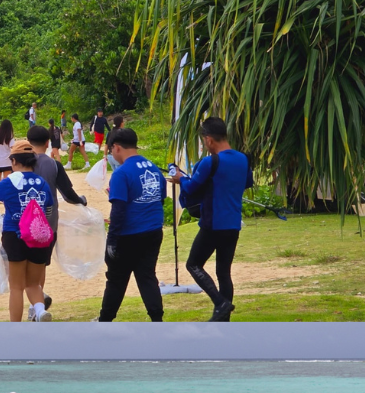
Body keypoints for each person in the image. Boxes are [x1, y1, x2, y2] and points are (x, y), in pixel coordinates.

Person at [166, 116, 253, 322]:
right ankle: (223, 321)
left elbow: (190, 187)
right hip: (233, 223)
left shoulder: (209, 162)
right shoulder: (243, 159)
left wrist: (180, 179)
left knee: (193, 264)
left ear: (208, 140)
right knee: (224, 271)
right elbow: (246, 182)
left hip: (213, 222)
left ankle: (220, 303)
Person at [0, 138, 55, 322]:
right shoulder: (42, 182)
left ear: (14, 161)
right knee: (34, 283)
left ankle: (15, 325)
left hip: (15, 235)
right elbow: (49, 209)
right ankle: (39, 310)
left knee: (16, 286)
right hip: (39, 236)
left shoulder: (9, 181)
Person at [98, 127, 166, 323]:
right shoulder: (153, 167)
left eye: (111, 150)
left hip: (129, 234)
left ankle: (105, 320)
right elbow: (159, 199)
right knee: (147, 276)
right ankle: (157, 319)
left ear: (116, 147)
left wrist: (111, 240)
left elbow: (118, 210)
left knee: (116, 280)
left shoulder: (121, 173)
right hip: (153, 230)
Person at [27, 125, 89, 319]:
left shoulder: (21, 163)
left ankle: (34, 304)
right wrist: (81, 200)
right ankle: (35, 307)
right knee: (40, 266)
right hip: (47, 224)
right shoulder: (54, 165)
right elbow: (68, 195)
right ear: (47, 143)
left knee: (23, 266)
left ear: (28, 143)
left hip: (23, 223)